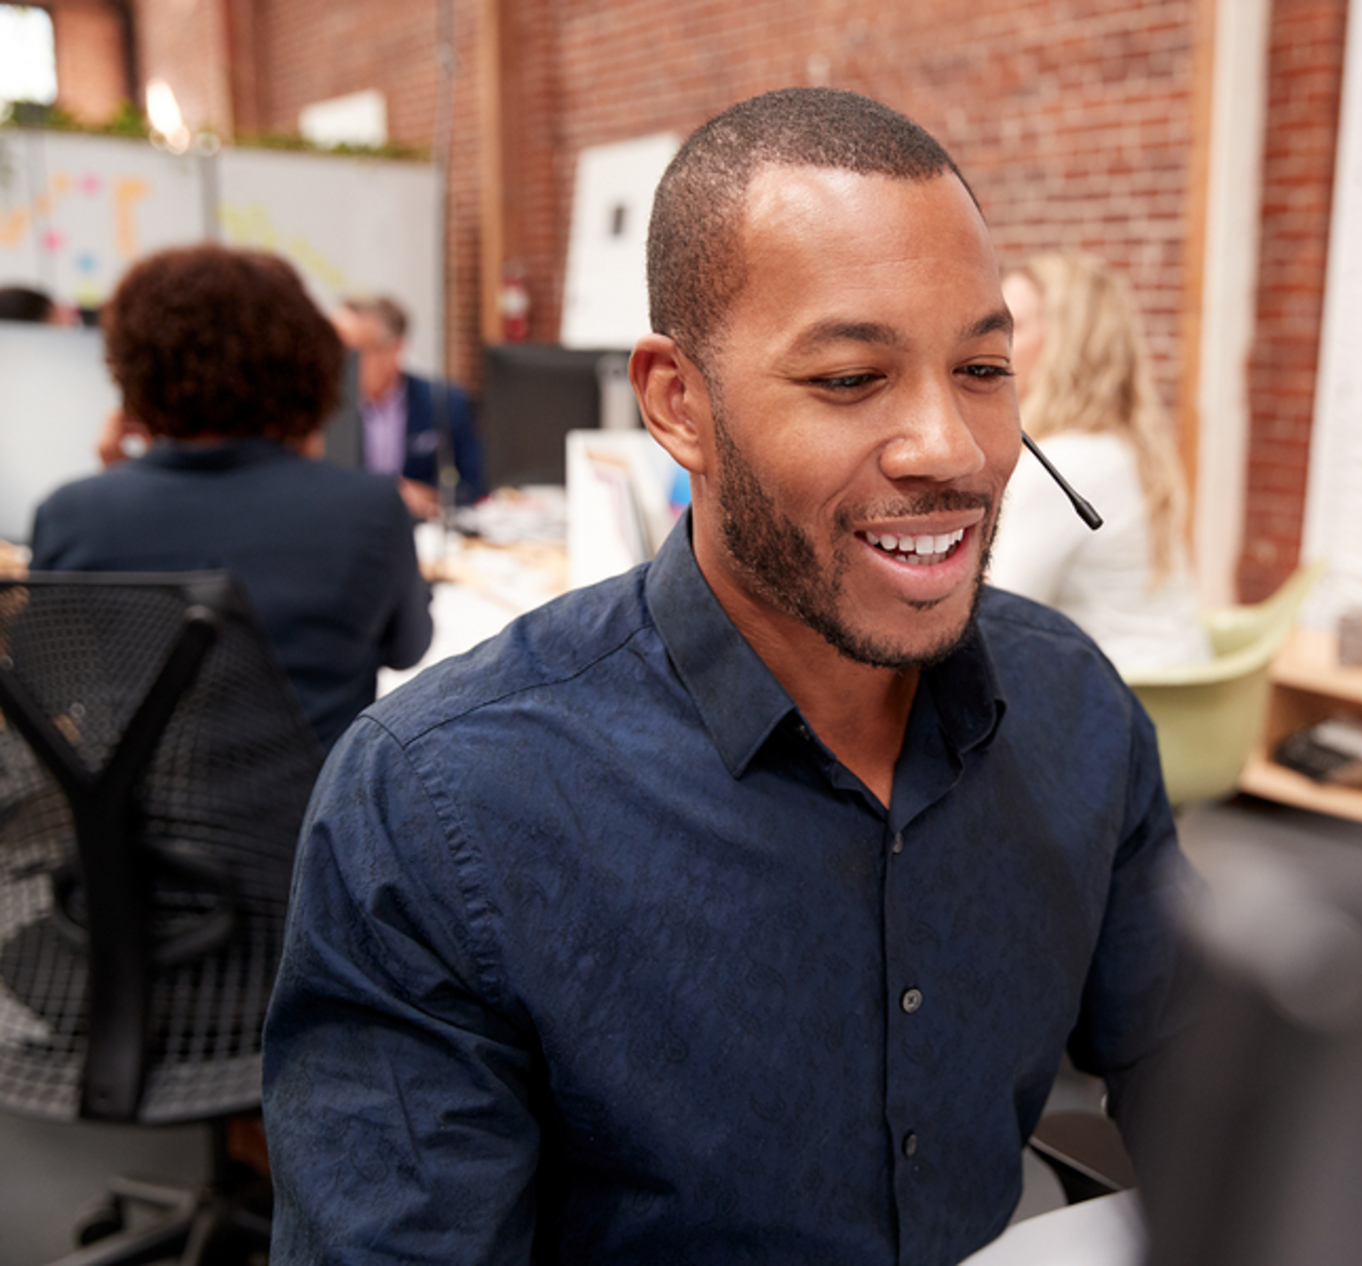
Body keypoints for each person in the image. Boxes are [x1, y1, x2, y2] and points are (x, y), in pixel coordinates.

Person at [263, 87, 1199, 1264]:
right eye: (853, 380)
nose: (952, 450)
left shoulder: (1073, 710)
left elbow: (1203, 1080)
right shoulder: (444, 805)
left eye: (982, 367)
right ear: (677, 403)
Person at [29, 245, 432, 751]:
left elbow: (48, 684)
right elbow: (408, 649)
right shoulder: (368, 509)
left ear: (131, 367)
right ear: (305, 364)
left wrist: (116, 482)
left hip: (133, 826)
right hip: (314, 825)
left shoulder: (71, 515)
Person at [988, 252, 1211, 671]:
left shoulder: (1065, 464)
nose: (993, 345)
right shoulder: (1121, 448)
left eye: (1011, 326)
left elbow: (996, 617)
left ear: (1068, 342)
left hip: (1124, 704)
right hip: (1182, 691)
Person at [330, 293, 485, 517]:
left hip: (419, 533)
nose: (340, 362)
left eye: (352, 352)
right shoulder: (325, 408)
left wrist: (431, 497)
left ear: (395, 349)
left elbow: (477, 486)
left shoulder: (444, 402)